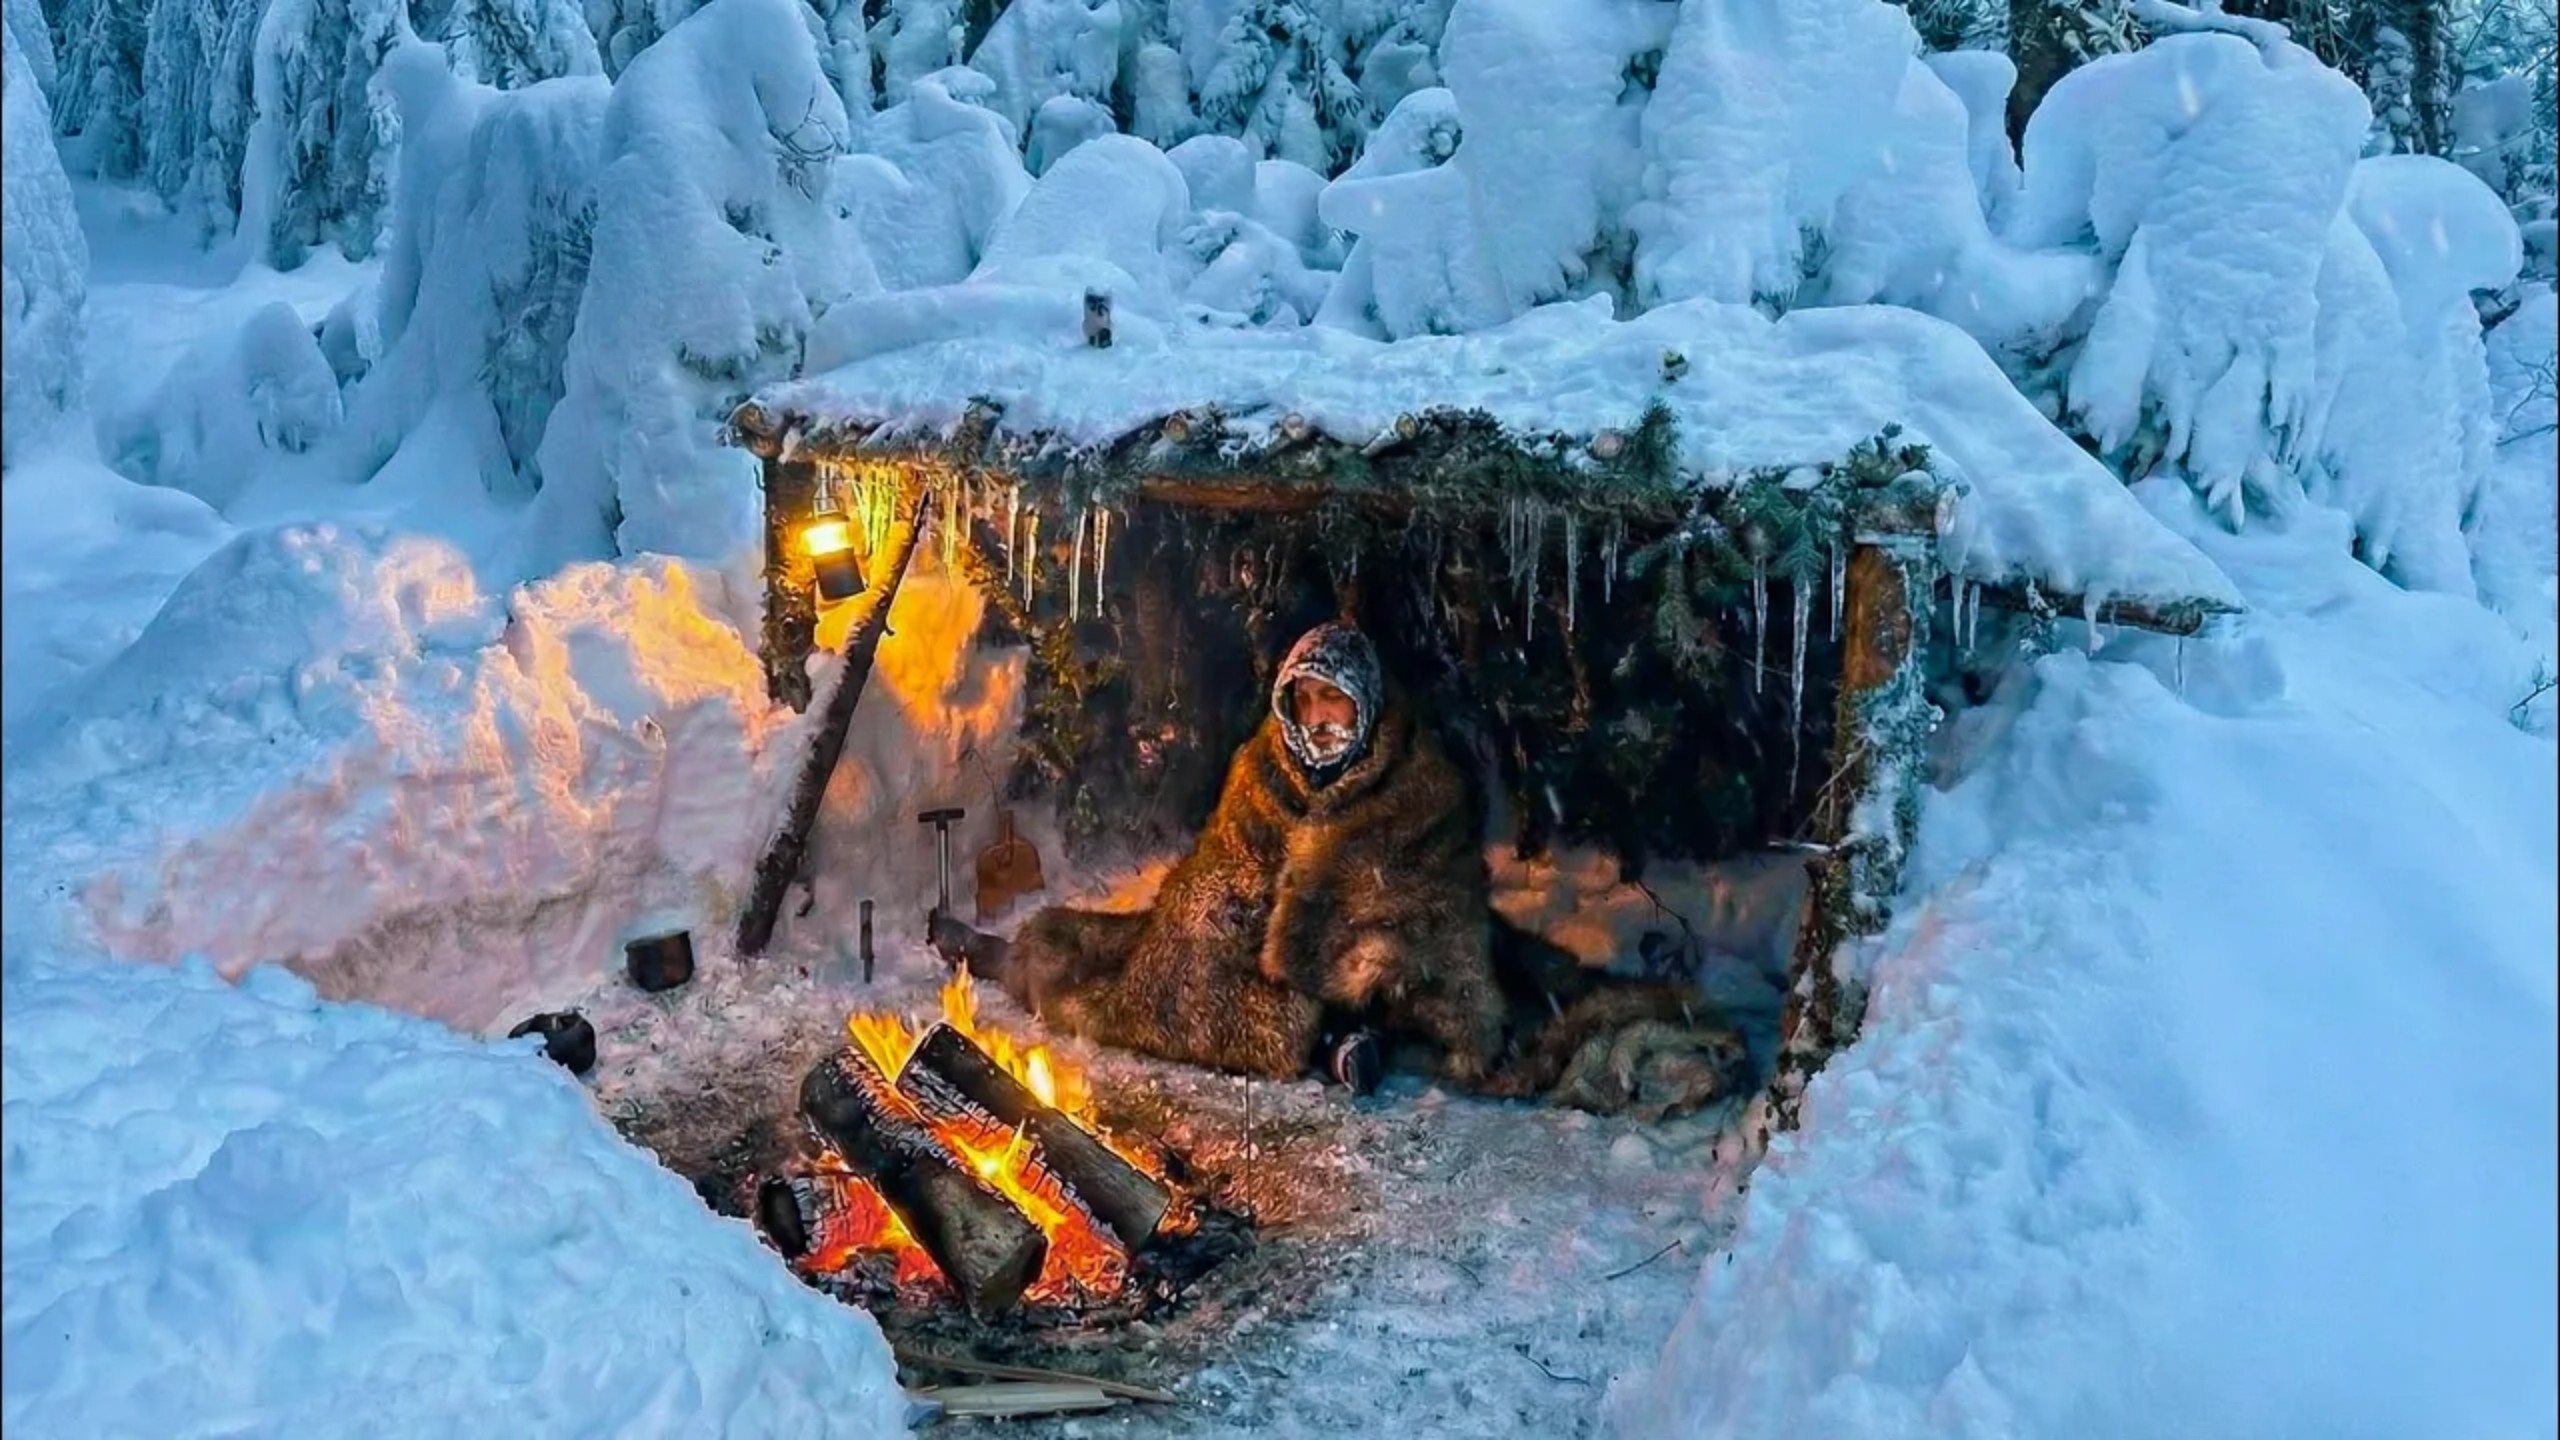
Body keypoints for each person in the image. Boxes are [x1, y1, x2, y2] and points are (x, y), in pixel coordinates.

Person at [935, 621, 1742, 1117]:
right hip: (1265, 964)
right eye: (1306, 702)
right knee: (1151, 967)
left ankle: (1340, 1036)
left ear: (1366, 711)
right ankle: (1010, 960)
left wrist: (1363, 949)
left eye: (1337, 705)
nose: (1319, 722)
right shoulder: (1261, 774)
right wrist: (1222, 925)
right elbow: (1223, 876)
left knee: (1462, 996)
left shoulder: (1420, 788)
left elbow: (1436, 906)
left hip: (1374, 976)